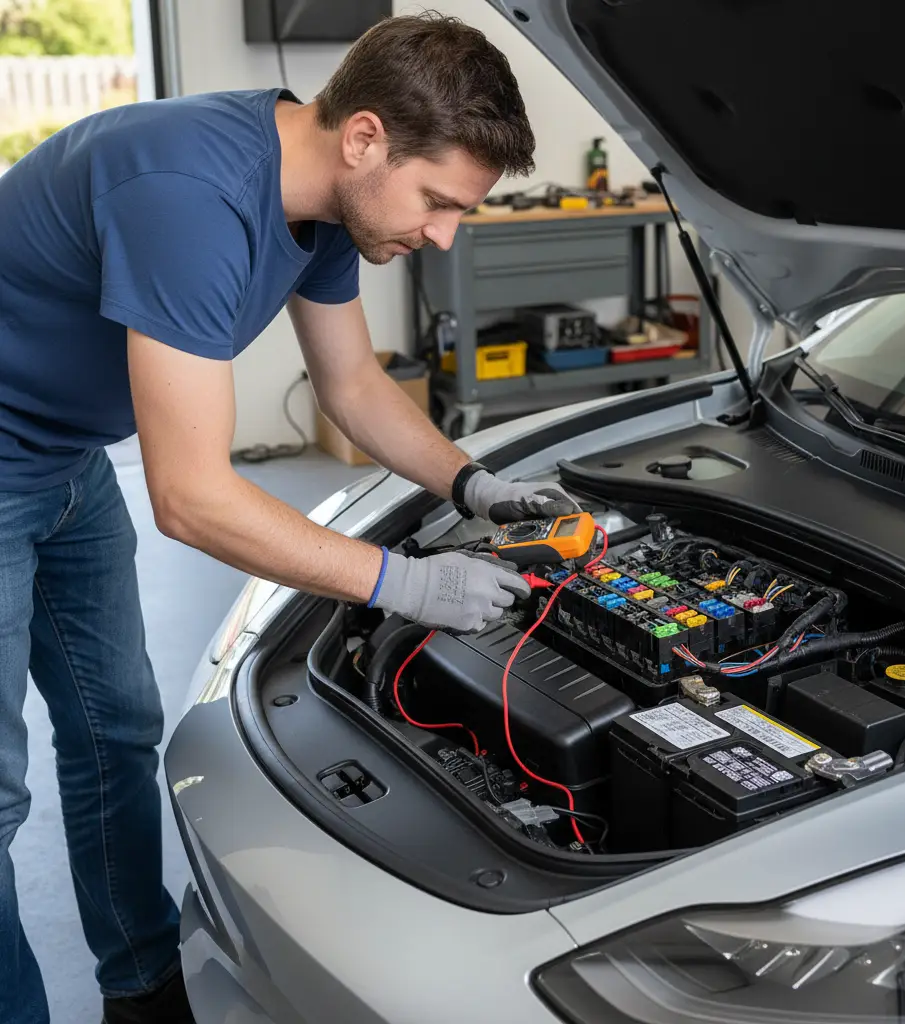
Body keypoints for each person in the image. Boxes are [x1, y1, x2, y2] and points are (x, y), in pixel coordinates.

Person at [0, 13, 576, 1024]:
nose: (442, 234)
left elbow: (351, 384)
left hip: (65, 457)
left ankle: (140, 988)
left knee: (115, 732)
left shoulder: (319, 203)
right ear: (363, 138)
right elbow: (189, 496)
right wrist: (407, 583)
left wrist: (471, 484)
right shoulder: (190, 197)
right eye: (437, 200)